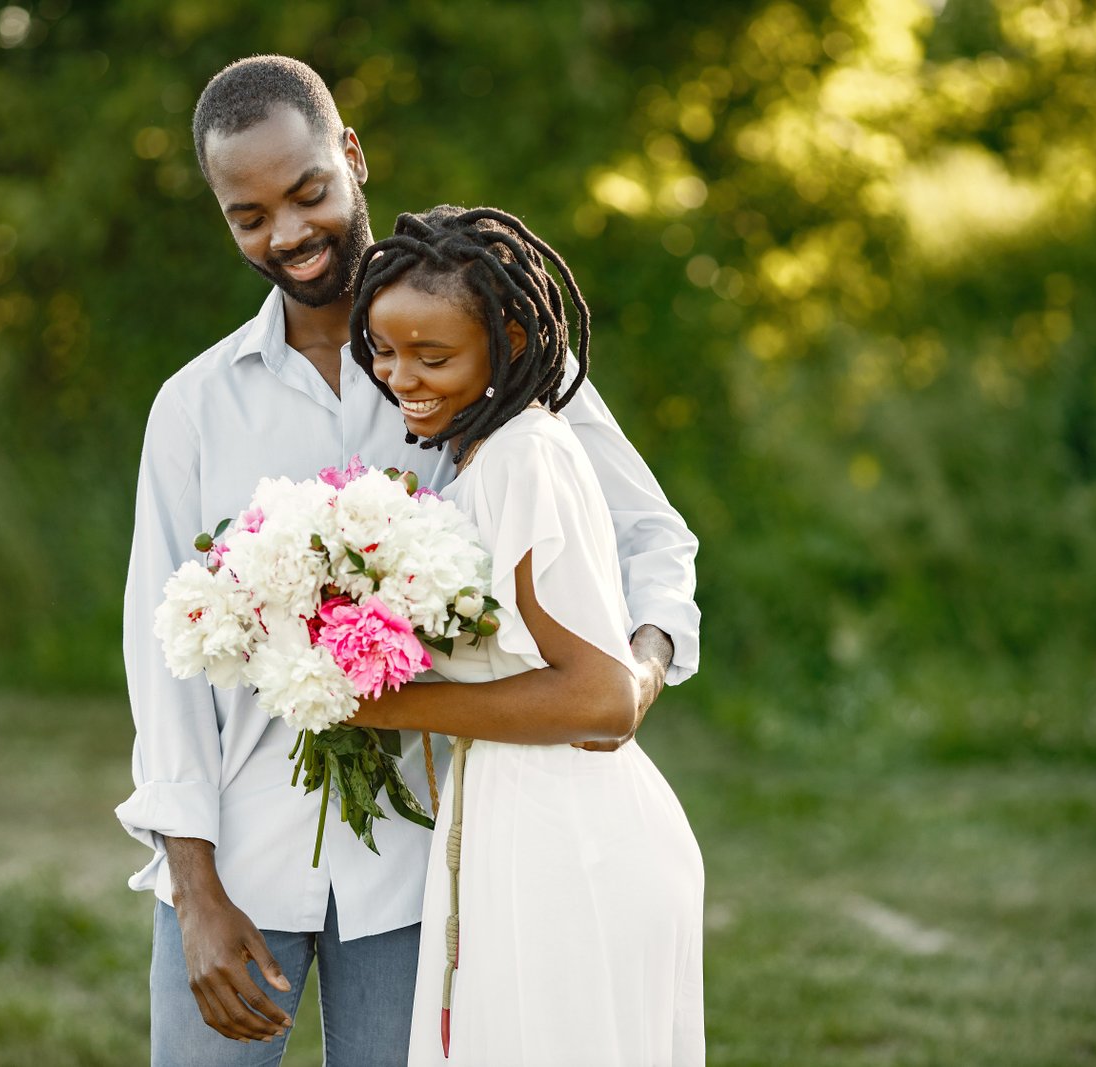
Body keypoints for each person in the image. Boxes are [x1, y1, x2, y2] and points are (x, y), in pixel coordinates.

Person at [118, 55, 701, 1067]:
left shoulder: (498, 359)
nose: (286, 233)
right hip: (239, 856)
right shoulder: (195, 405)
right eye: (247, 215)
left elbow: (651, 532)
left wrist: (636, 673)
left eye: (306, 192)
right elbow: (158, 658)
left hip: (427, 860)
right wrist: (195, 886)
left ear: (351, 154)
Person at [346, 205, 705, 1065]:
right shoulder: (480, 451)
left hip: (566, 836)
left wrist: (376, 706)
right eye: (386, 353)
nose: (404, 378)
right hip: (514, 808)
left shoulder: (525, 455)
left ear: (510, 336)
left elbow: (600, 698)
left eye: (433, 356)